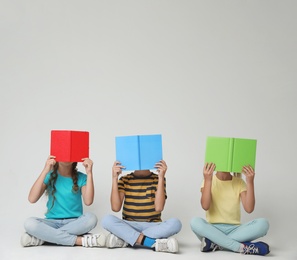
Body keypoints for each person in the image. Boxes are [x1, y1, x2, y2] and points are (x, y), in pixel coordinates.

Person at [21, 155, 106, 247]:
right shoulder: (49, 175)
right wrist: (46, 169)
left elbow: (88, 201)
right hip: (51, 223)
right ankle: (79, 240)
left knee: (91, 218)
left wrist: (89, 172)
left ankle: (44, 238)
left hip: (74, 223)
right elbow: (32, 198)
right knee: (29, 223)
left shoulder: (82, 177)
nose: (66, 157)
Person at [101, 160, 182, 253]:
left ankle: (127, 239)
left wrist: (161, 177)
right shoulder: (124, 179)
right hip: (130, 225)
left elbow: (159, 208)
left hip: (152, 226)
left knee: (176, 223)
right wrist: (114, 178)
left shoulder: (158, 179)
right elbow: (115, 208)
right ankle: (149, 242)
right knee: (107, 220)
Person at [190, 163, 270, 256]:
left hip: (235, 230)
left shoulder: (239, 182)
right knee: (195, 222)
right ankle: (240, 248)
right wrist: (208, 180)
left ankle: (215, 244)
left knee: (263, 224)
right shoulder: (208, 181)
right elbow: (205, 206)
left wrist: (250, 182)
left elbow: (249, 208)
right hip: (212, 230)